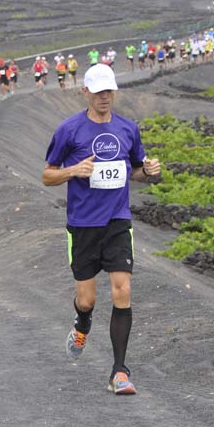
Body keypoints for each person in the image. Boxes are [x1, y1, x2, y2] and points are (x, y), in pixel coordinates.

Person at [41, 63, 161, 395]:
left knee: (122, 291)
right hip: (83, 225)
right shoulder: (69, 130)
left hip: (117, 222)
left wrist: (150, 172)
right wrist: (73, 171)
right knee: (86, 299)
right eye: (98, 92)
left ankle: (119, 372)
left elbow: (135, 171)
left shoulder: (128, 128)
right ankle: (82, 324)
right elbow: (47, 175)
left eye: (109, 91)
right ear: (86, 93)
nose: (104, 97)